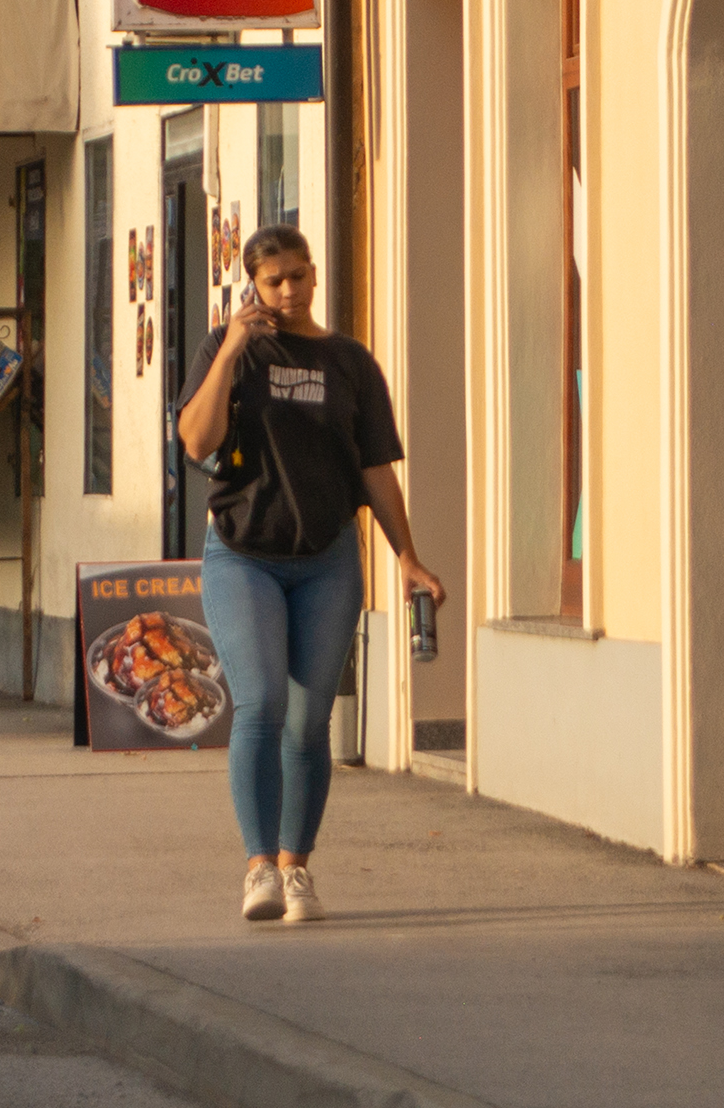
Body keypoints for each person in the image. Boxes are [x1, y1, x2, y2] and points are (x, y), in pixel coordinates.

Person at [175, 224, 443, 924]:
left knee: (309, 723)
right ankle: (258, 867)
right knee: (260, 703)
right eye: (274, 280)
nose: (289, 290)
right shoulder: (231, 350)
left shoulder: (350, 361)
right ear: (252, 287)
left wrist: (405, 556)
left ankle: (297, 869)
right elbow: (196, 439)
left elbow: (374, 467)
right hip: (243, 553)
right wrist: (232, 347)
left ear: (316, 275)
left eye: (299, 275)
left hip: (326, 560)